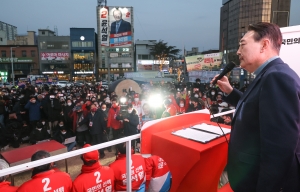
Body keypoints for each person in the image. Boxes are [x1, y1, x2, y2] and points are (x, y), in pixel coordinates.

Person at [211, 22, 300, 192]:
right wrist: (230, 91)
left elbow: (279, 149)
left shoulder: (276, 77)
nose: (238, 51)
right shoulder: (269, 74)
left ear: (264, 45)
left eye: (242, 45)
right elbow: (256, 110)